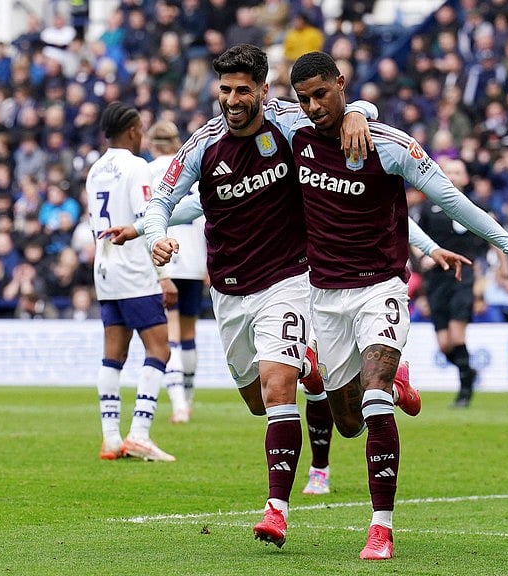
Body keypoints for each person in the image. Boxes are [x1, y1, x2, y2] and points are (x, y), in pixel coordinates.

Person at [287, 51, 508, 559]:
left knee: (374, 395)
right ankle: (398, 379)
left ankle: (380, 527)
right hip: (324, 294)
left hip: (380, 286)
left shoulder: (391, 147)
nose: (315, 106)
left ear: (340, 83)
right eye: (305, 99)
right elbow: (239, 123)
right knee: (346, 422)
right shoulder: (293, 133)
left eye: (323, 94)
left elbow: (452, 199)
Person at [140, 45, 384, 549]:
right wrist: (153, 236)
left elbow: (336, 107)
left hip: (289, 279)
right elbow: (161, 201)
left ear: (263, 90)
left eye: (242, 90)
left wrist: (360, 110)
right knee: (256, 401)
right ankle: (313, 365)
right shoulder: (203, 144)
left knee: (277, 391)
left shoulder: (290, 124)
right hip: (230, 291)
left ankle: (276, 510)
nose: (231, 99)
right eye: (225, 90)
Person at [87, 101, 176, 463]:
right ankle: (139, 433)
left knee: (114, 355)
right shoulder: (137, 167)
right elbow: (145, 221)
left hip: (104, 269)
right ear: (132, 130)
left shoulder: (95, 170)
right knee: (160, 350)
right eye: (140, 128)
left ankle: (110, 438)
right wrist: (163, 275)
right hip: (135, 271)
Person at [414, 157, 491, 409]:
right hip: (436, 278)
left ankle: (464, 392)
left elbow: (492, 237)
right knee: (444, 344)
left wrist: (500, 271)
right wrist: (423, 257)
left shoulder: (474, 206)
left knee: (457, 336)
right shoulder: (428, 208)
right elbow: (415, 238)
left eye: (458, 171)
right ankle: (468, 371)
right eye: (449, 171)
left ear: (466, 178)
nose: (453, 175)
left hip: (462, 276)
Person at [146, 120, 208, 425]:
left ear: (151, 143)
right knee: (188, 333)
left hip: (164, 256)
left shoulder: (149, 172)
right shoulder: (191, 167)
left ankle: (179, 404)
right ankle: (189, 395)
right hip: (195, 257)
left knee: (169, 331)